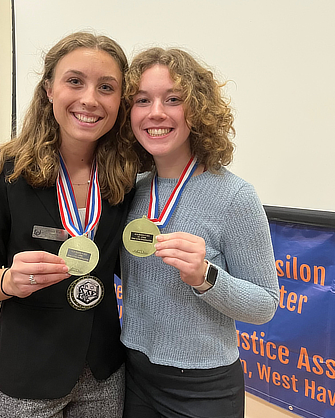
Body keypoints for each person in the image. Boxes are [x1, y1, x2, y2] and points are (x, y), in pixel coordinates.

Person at [0, 32, 138, 418]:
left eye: (106, 87)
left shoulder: (127, 177)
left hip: (104, 372)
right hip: (28, 372)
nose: (90, 99)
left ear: (120, 102)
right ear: (48, 90)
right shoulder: (2, 172)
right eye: (74, 81)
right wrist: (8, 281)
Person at [120, 47, 280, 418]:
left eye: (173, 99)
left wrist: (206, 276)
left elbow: (265, 304)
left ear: (198, 110)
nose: (156, 112)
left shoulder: (235, 196)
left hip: (203, 388)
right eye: (143, 100)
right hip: (134, 374)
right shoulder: (131, 189)